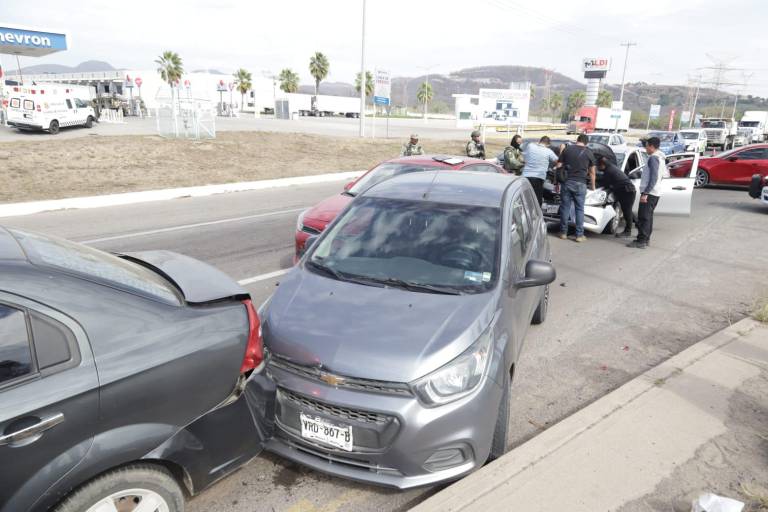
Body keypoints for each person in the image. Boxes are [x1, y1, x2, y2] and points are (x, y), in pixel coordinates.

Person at [557, 133, 596, 242]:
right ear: (586, 142)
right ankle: (579, 235)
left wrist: (557, 182)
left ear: (577, 140)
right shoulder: (589, 152)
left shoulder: (567, 150)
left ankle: (563, 233)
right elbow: (592, 172)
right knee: (579, 209)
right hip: (581, 184)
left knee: (565, 207)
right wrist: (593, 186)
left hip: (567, 182)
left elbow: (559, 166)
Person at [628, 136, 665, 249]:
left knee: (644, 217)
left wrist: (645, 193)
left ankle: (642, 240)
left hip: (650, 193)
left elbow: (653, 178)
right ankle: (645, 238)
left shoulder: (654, 158)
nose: (646, 148)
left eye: (647, 146)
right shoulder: (660, 157)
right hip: (654, 192)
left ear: (652, 146)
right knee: (648, 217)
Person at [597, 155, 636, 238]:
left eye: (599, 166)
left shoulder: (609, 171)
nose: (598, 168)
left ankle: (628, 232)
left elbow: (605, 184)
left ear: (603, 164)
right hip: (628, 191)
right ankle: (640, 225)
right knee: (628, 210)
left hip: (627, 191)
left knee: (627, 212)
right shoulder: (611, 167)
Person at [521, 136, 558, 206]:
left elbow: (524, 155)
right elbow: (558, 161)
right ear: (548, 144)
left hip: (526, 176)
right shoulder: (548, 151)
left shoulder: (530, 146)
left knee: (525, 197)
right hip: (538, 177)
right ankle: (535, 215)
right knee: (537, 199)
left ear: (540, 141)